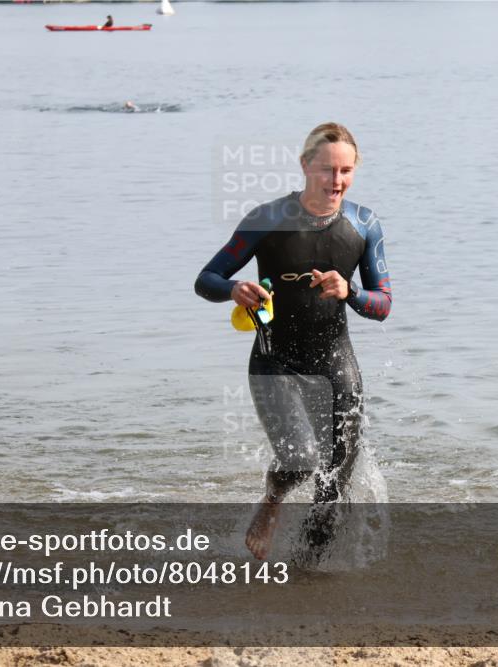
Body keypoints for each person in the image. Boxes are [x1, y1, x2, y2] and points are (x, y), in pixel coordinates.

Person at [195, 123, 392, 562]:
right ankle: (271, 502)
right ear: (305, 166)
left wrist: (351, 292)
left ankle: (306, 575)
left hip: (336, 363)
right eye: (326, 170)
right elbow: (206, 279)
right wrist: (233, 290)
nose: (335, 181)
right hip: (275, 361)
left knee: (334, 483)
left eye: (345, 171)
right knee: (301, 460)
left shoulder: (364, 225)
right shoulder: (269, 219)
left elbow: (383, 304)